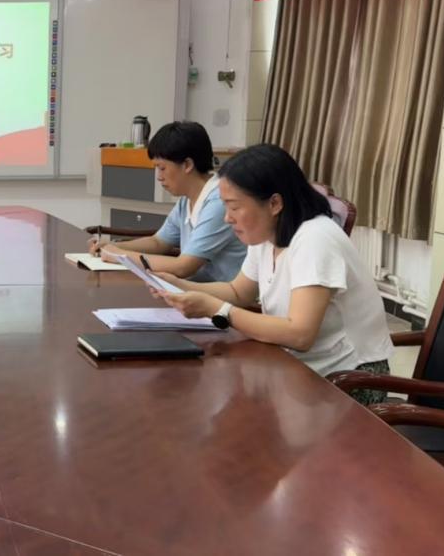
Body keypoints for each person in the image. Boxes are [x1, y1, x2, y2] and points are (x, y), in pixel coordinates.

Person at [150, 144, 393, 403]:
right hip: (299, 367)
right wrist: (180, 285)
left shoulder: (315, 239)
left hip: (349, 380)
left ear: (274, 203)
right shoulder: (267, 235)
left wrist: (218, 310)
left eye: (234, 207)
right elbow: (238, 292)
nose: (227, 218)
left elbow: (300, 334)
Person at [90, 121, 246, 282]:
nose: (159, 177)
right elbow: (159, 242)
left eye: (162, 168)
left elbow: (183, 267)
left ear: (187, 165)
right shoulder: (186, 200)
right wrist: (113, 246)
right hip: (195, 289)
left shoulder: (219, 202)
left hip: (219, 294)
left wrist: (120, 256)